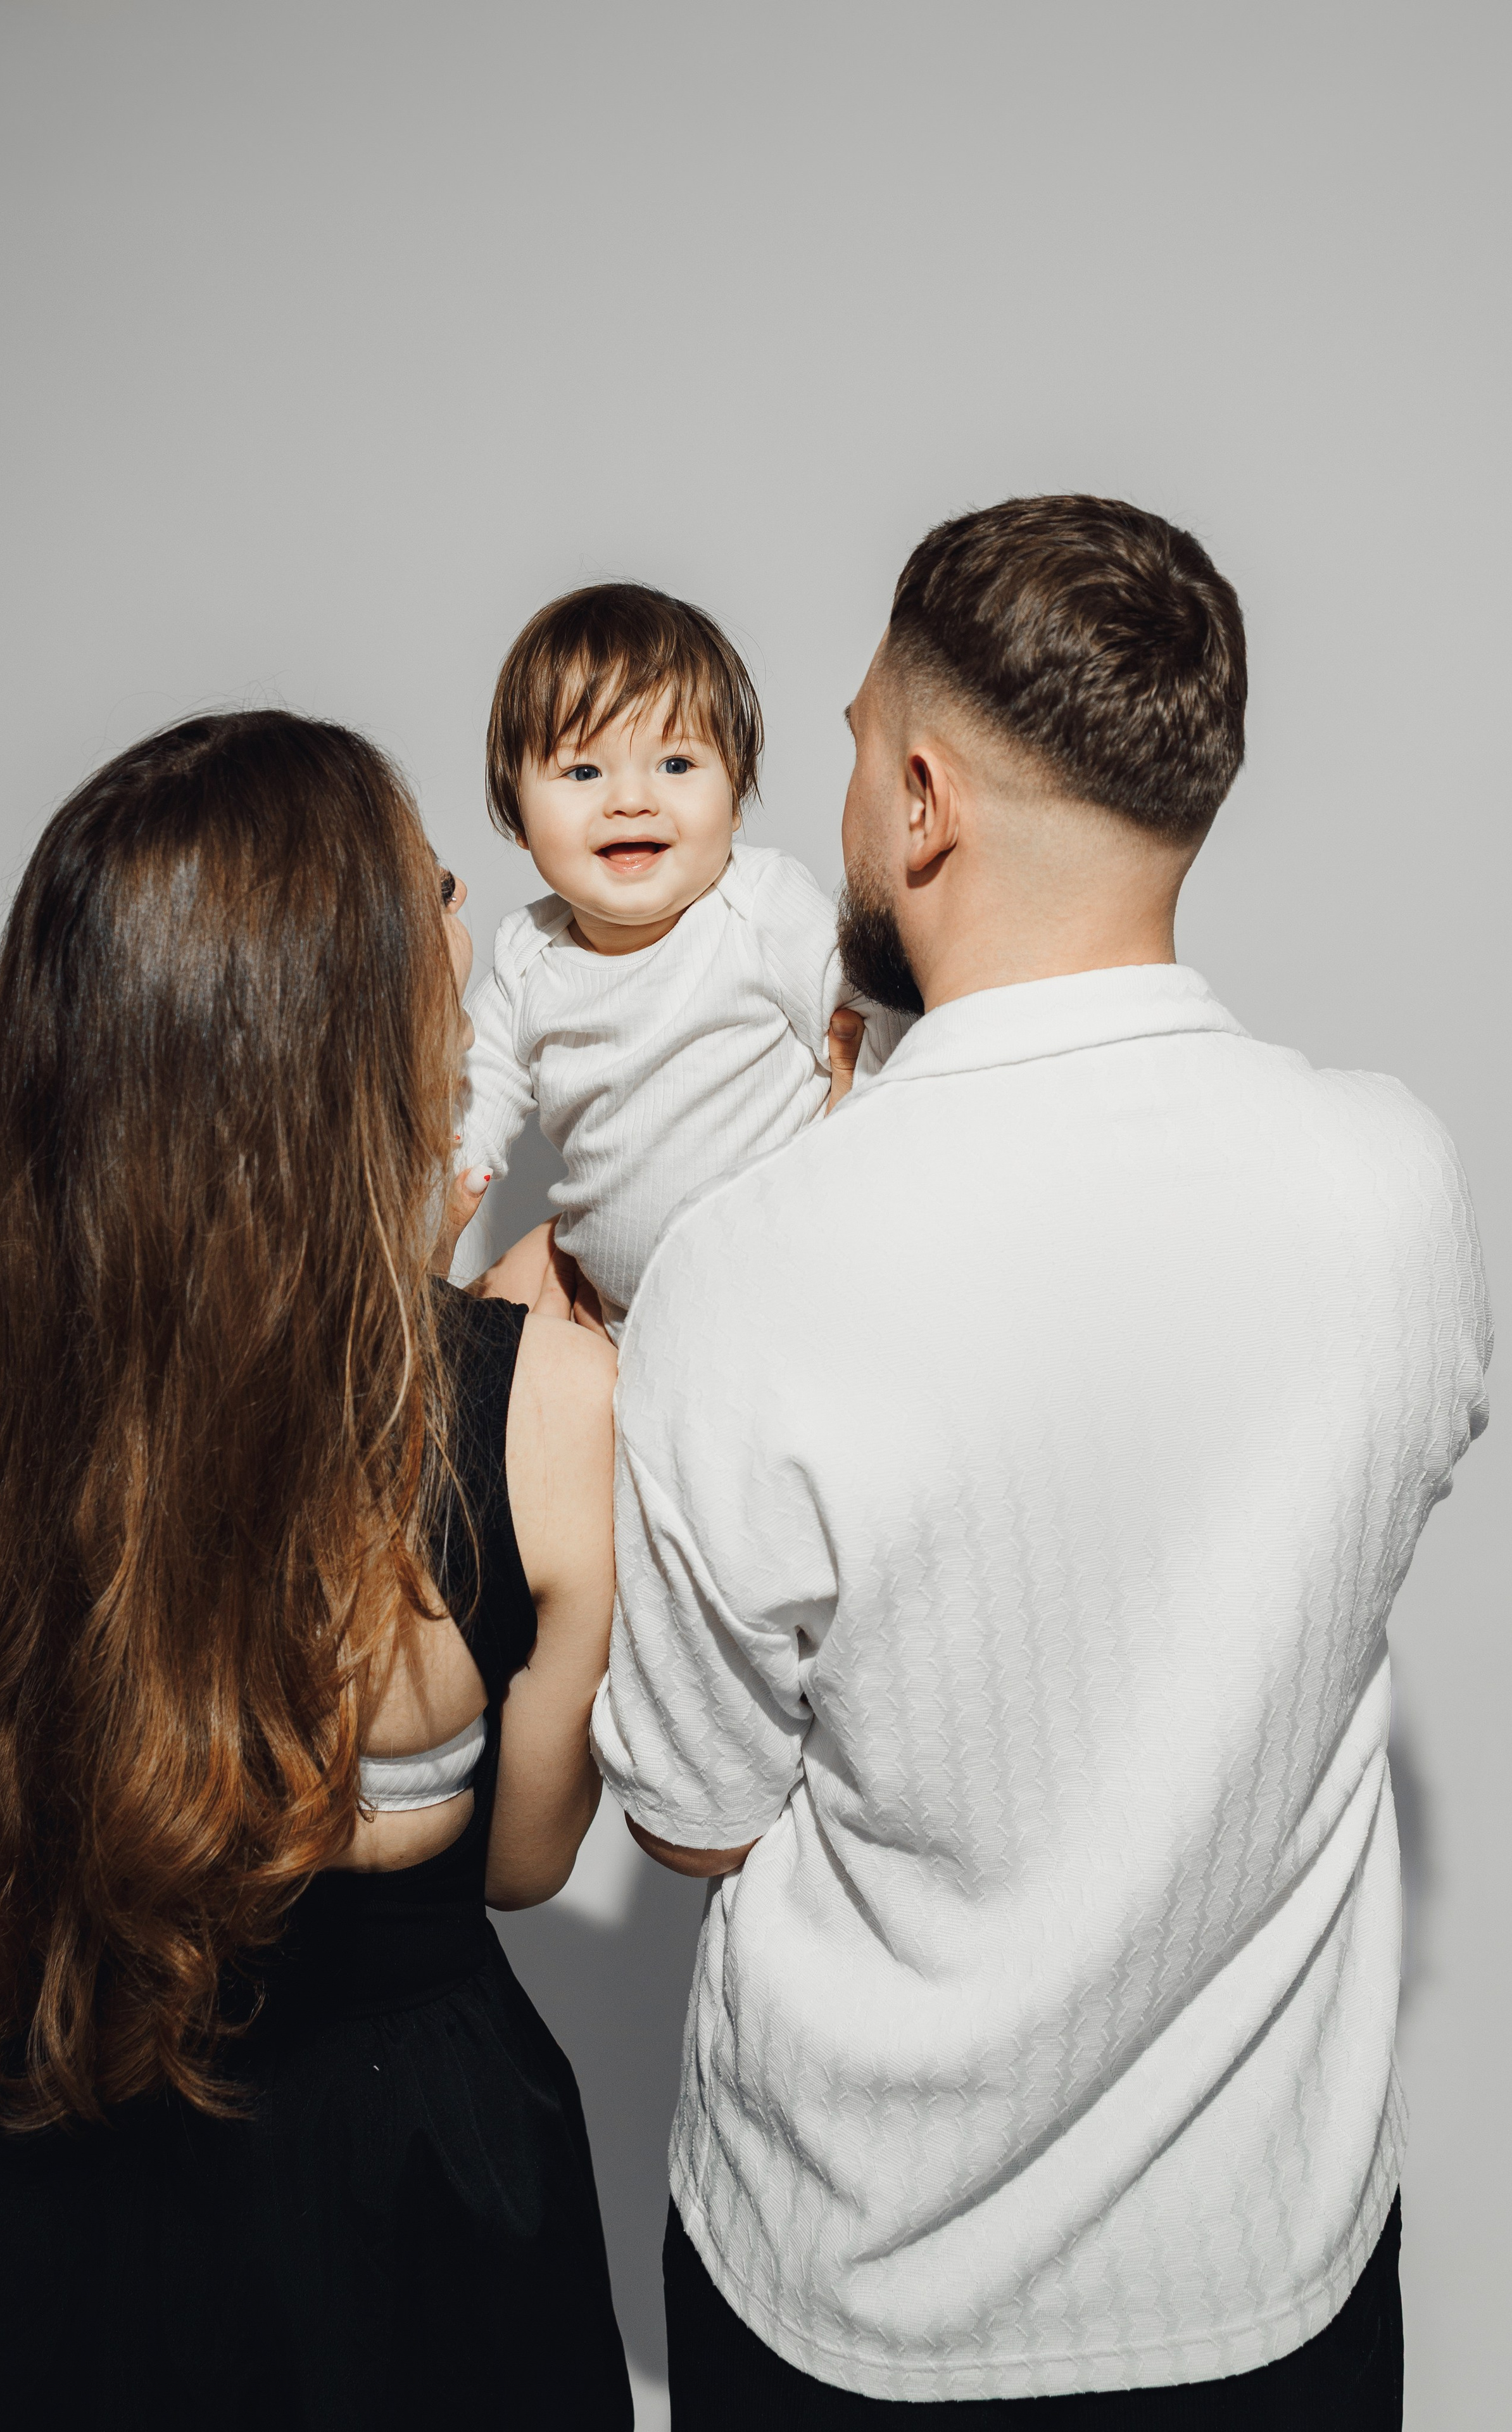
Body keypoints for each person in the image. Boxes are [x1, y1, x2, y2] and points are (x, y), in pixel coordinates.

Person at [592, 495, 1490, 2425]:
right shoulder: (1395, 1186)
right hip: (1271, 2284)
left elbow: (687, 1813)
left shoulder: (747, 1265)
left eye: (845, 748)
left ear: (920, 800)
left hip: (852, 2297)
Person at [0, 711, 633, 2429]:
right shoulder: (543, 1400)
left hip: (0, 2119)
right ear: (355, 1002)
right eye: (443, 886)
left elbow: (199, 1401)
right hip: (390, 2203)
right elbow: (523, 1862)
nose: (477, 922)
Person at [451, 581, 901, 1331]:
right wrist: (454, 1182)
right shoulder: (526, 955)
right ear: (516, 815)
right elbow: (473, 1089)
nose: (631, 801)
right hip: (626, 1324)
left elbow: (879, 1014)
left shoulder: (757, 906)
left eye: (676, 765)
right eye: (584, 772)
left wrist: (856, 1140)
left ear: (736, 792)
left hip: (796, 1299)